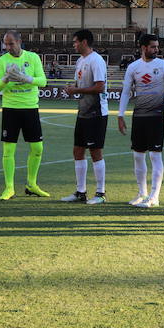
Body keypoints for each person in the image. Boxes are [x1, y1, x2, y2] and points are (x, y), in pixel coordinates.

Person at [118, 33, 164, 208]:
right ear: (143, 47)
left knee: (155, 155)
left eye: (157, 47)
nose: (156, 49)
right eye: (153, 47)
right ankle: (142, 193)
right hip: (139, 116)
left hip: (156, 116)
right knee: (137, 155)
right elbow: (125, 92)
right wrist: (120, 115)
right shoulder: (133, 67)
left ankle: (154, 196)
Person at [0, 30, 50, 200]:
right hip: (10, 108)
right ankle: (9, 188)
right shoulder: (2, 61)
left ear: (19, 41)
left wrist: (26, 78)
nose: (7, 47)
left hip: (30, 108)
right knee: (9, 149)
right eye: (5, 43)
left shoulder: (32, 57)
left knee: (37, 148)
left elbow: (43, 81)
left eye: (11, 43)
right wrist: (6, 78)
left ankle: (31, 184)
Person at [59, 30, 109, 205]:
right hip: (83, 112)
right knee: (78, 150)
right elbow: (81, 85)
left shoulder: (96, 60)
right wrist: (72, 88)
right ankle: (81, 192)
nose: (74, 45)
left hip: (96, 113)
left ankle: (101, 193)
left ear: (84, 42)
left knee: (95, 151)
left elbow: (100, 87)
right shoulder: (80, 61)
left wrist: (77, 90)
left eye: (75, 42)